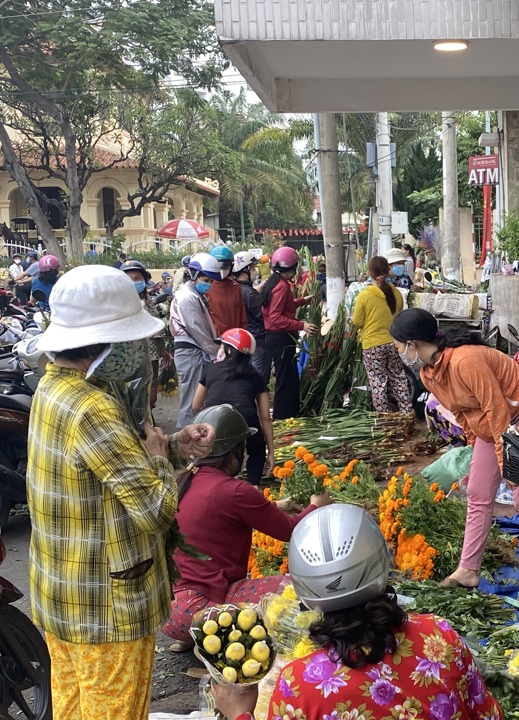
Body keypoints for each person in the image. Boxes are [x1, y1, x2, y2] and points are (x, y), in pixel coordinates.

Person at [27, 265, 217, 720]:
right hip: (106, 609)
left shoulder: (53, 389)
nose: (138, 349)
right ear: (101, 343)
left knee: (74, 707)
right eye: (130, 339)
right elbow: (154, 508)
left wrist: (172, 446)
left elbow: (104, 467)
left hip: (64, 596)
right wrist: (157, 458)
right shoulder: (93, 408)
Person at [210, 503, 504, 720]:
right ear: (381, 562)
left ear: (303, 588)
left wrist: (240, 714)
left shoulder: (299, 684)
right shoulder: (439, 636)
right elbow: (489, 715)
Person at [390, 308, 519, 603]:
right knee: (477, 492)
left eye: (399, 346)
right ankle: (467, 570)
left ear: (413, 344)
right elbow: (462, 414)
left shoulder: (466, 360)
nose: (398, 352)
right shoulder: (429, 373)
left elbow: (497, 410)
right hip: (491, 426)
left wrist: (508, 466)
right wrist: (474, 452)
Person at [162, 404, 327, 651]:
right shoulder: (236, 491)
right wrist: (317, 505)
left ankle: (197, 637)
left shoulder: (184, 480)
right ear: (235, 451)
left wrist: (277, 505)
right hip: (202, 611)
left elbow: (218, 512)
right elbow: (291, 531)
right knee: (301, 587)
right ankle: (211, 638)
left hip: (167, 614)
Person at [192, 329, 274, 484]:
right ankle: (253, 485)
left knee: (214, 450)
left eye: (222, 346)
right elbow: (265, 418)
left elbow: (196, 405)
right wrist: (271, 451)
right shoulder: (256, 376)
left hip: (213, 419)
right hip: (245, 419)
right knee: (257, 449)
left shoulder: (211, 370)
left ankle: (208, 481)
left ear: (229, 350)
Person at [260, 246, 317, 419]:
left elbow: (284, 307)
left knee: (289, 379)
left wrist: (301, 301)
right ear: (291, 268)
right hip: (280, 339)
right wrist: (302, 325)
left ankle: (289, 415)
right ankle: (282, 418)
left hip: (276, 338)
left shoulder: (275, 282)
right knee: (286, 381)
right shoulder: (282, 287)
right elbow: (276, 317)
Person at [352, 256, 413, 415]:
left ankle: (385, 418)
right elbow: (399, 315)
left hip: (372, 346)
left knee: (378, 383)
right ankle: (407, 413)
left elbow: (357, 321)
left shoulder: (364, 295)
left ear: (370, 273)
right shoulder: (396, 294)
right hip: (394, 343)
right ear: (388, 271)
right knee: (399, 379)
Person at [170, 252, 220, 428]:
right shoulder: (188, 297)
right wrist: (214, 351)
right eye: (205, 280)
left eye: (210, 281)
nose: (208, 284)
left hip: (193, 350)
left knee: (194, 398)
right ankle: (186, 440)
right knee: (191, 400)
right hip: (190, 351)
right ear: (194, 275)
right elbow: (197, 329)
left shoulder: (193, 294)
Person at [120, 259, 169, 409]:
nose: (133, 282)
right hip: (128, 360)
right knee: (133, 399)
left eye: (137, 278)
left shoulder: (149, 302)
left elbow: (157, 329)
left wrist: (165, 351)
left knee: (151, 398)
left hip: (151, 359)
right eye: (128, 279)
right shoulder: (118, 304)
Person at [231, 251, 268, 381]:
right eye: (252, 268)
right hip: (258, 339)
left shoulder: (235, 289)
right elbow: (262, 316)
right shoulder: (250, 294)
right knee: (259, 379)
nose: (255, 270)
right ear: (245, 269)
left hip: (244, 339)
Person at [206, 245, 247, 335]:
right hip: (216, 339)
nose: (222, 269)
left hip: (235, 337)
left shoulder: (235, 286)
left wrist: (242, 333)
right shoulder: (207, 287)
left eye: (226, 266)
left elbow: (242, 315)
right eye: (219, 266)